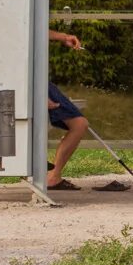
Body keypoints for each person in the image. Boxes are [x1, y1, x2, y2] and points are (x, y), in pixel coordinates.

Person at [46, 29, 90, 191]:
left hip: (39, 80)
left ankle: (52, 176)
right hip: (31, 81)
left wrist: (63, 37)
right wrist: (38, 95)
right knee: (79, 124)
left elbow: (37, 30)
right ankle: (52, 177)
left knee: (79, 124)